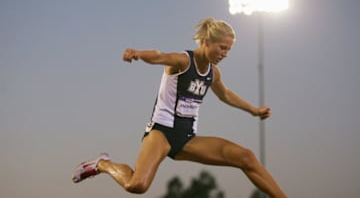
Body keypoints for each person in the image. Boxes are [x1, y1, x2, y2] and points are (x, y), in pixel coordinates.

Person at [72, 18, 287, 198]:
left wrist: (253, 110)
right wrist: (137, 53)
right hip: (161, 132)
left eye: (229, 49)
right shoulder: (183, 61)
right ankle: (102, 164)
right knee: (136, 186)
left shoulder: (214, 73)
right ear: (206, 41)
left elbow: (225, 94)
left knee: (246, 157)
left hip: (187, 139)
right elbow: (159, 56)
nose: (225, 53)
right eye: (222, 47)